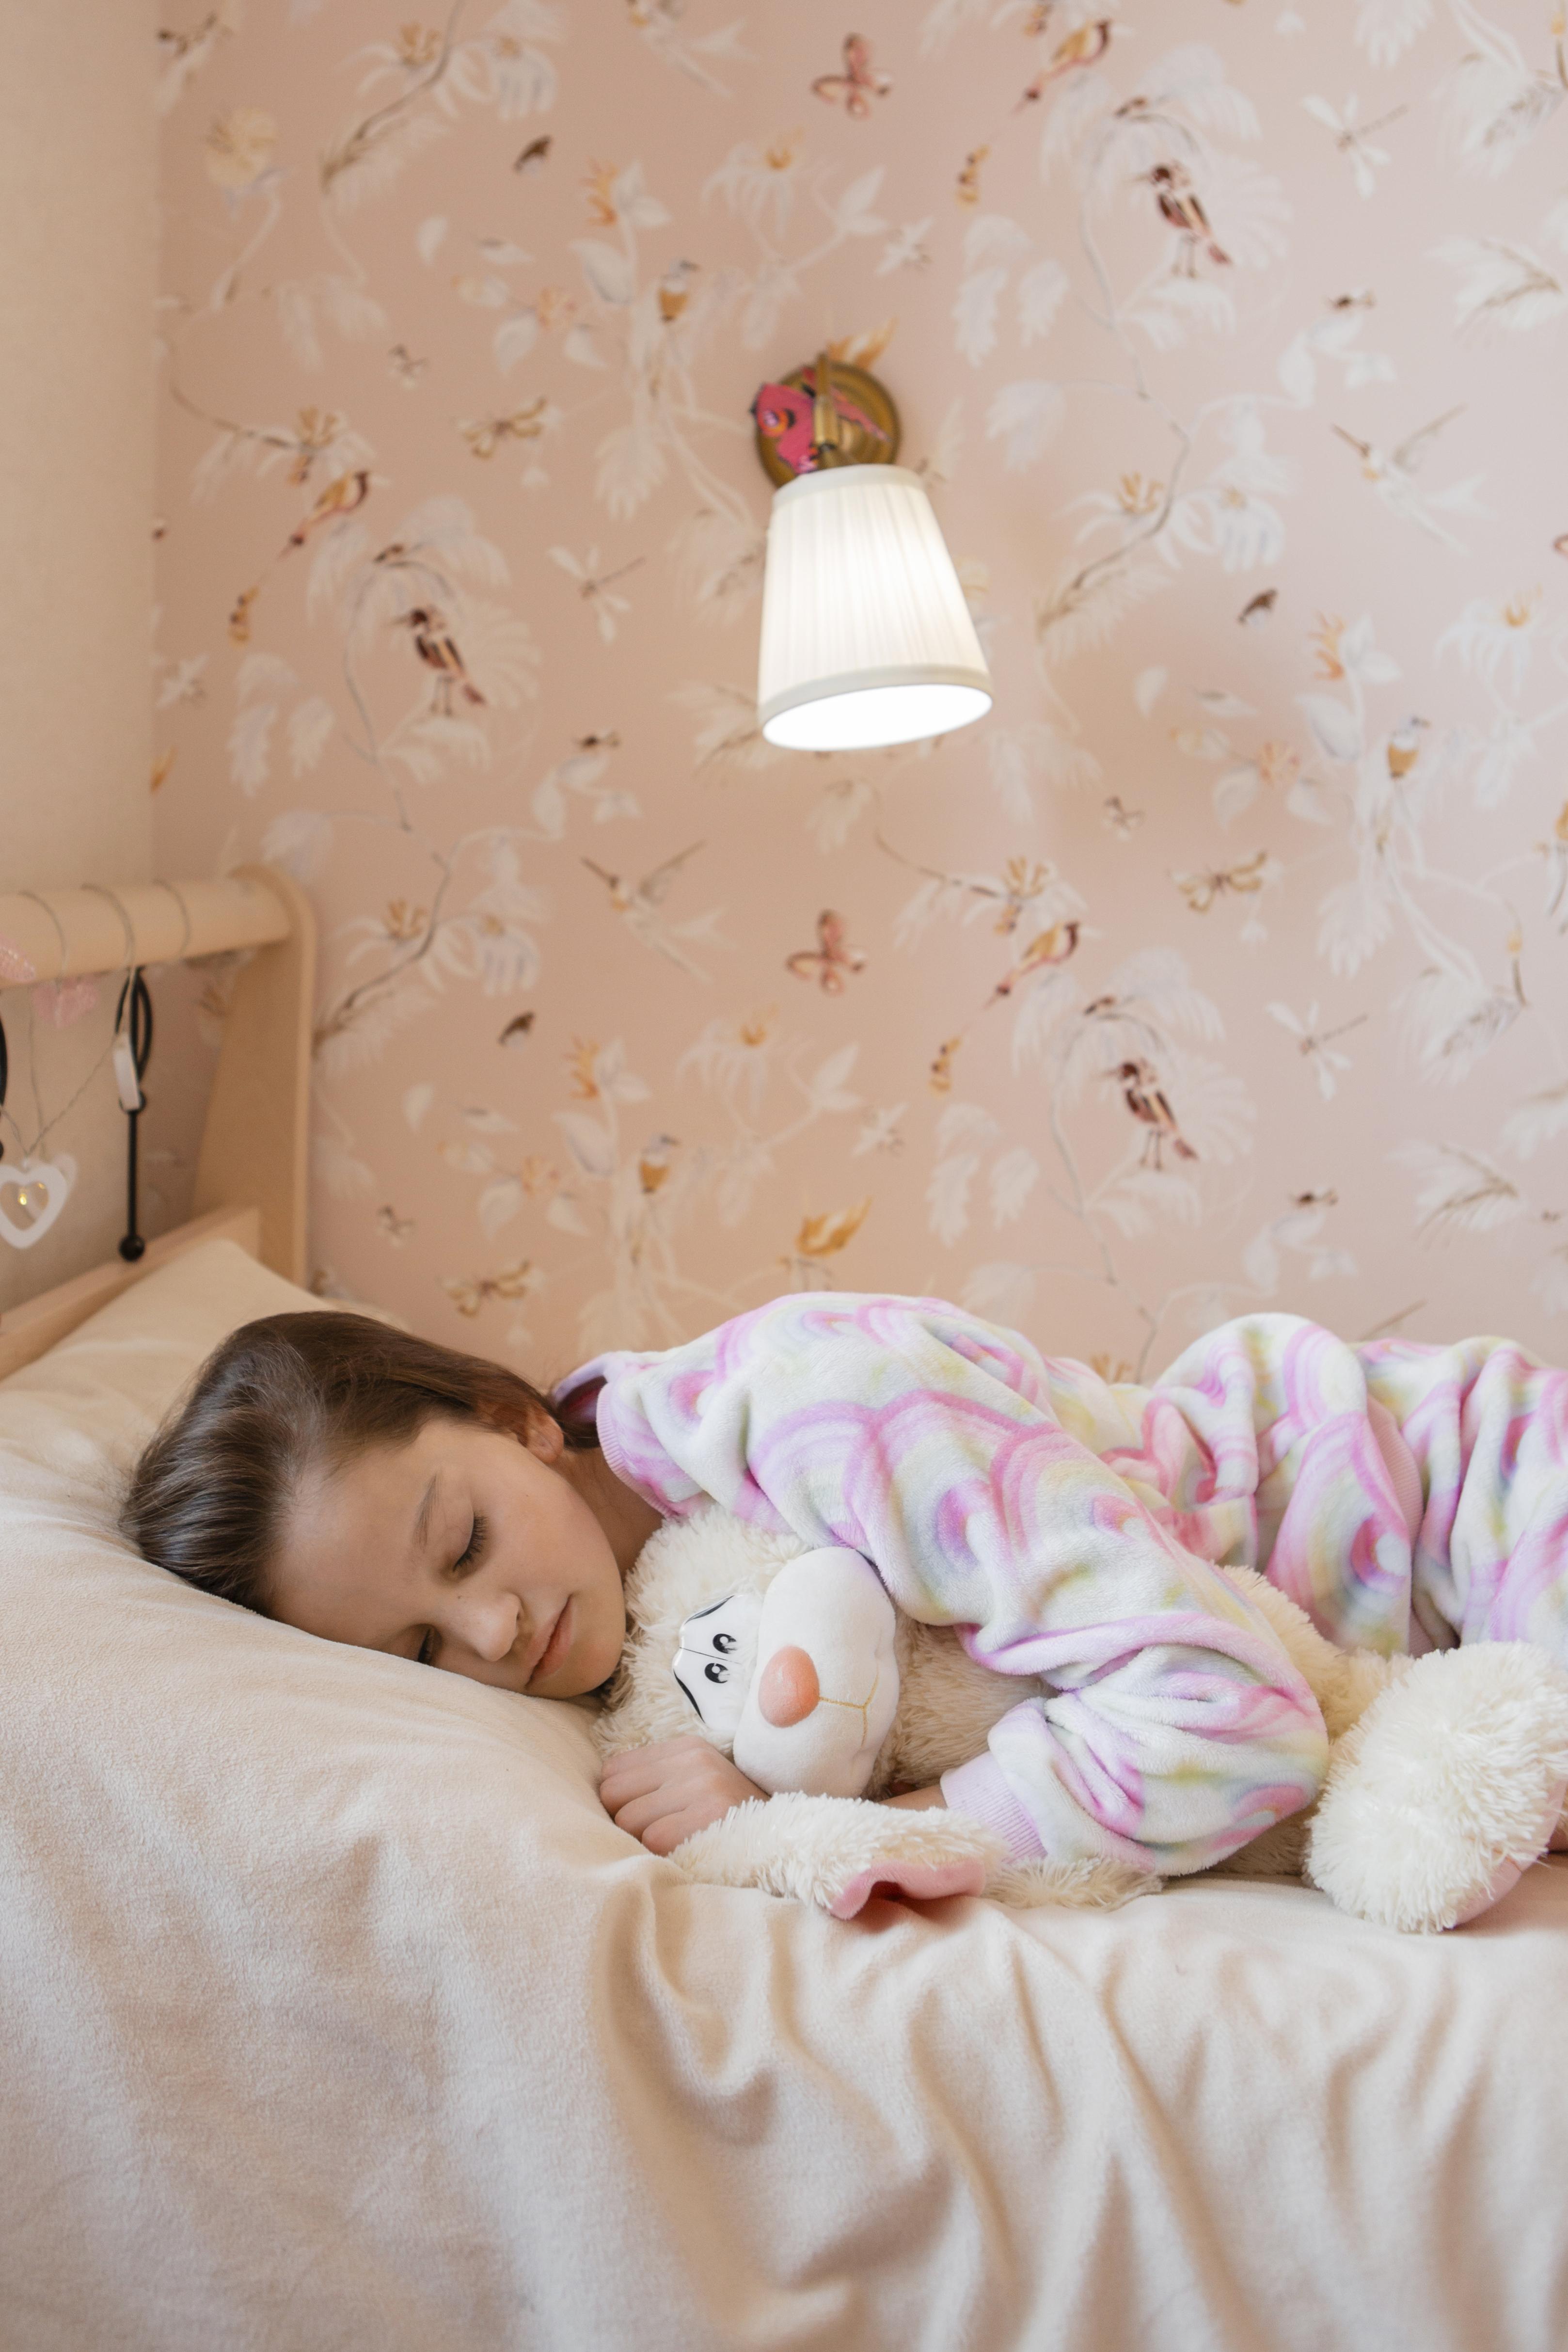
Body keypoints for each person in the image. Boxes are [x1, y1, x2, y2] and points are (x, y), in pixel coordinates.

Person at [122, 1292, 1568, 1885]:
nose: (494, 1630)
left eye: (464, 1546)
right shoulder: (645, 1601)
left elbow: (1226, 1719)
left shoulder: (819, 1417)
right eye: (423, 1649)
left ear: (514, 1416)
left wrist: (863, 1828)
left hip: (1465, 1493)